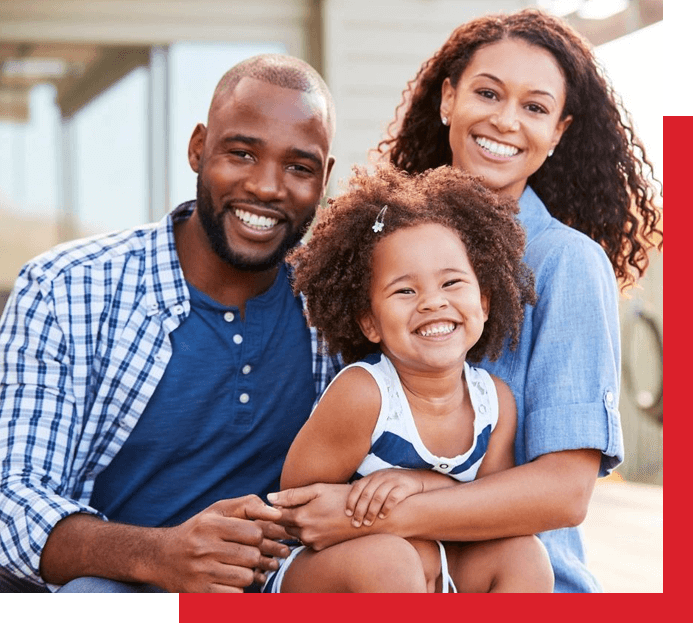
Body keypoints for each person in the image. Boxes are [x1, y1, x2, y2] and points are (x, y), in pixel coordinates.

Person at [268, 9, 663, 592]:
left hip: (515, 577)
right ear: (448, 99)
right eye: (487, 92)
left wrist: (371, 510)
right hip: (377, 568)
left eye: (535, 107)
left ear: (558, 131)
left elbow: (565, 490)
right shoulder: (382, 240)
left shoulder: (566, 264)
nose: (506, 121)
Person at [0, 53, 339, 593]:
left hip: (283, 587)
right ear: (198, 148)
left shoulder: (336, 309)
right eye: (242, 153)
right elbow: (10, 499)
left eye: (298, 167)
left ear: (324, 179)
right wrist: (161, 556)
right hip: (121, 581)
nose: (268, 187)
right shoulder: (65, 289)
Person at [262, 164, 552, 593]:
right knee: (391, 560)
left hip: (435, 570)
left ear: (485, 302)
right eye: (405, 291)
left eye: (452, 282)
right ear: (370, 323)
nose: (433, 302)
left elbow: (491, 512)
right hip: (330, 576)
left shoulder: (495, 403)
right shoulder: (365, 394)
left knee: (523, 554)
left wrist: (420, 484)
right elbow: (299, 509)